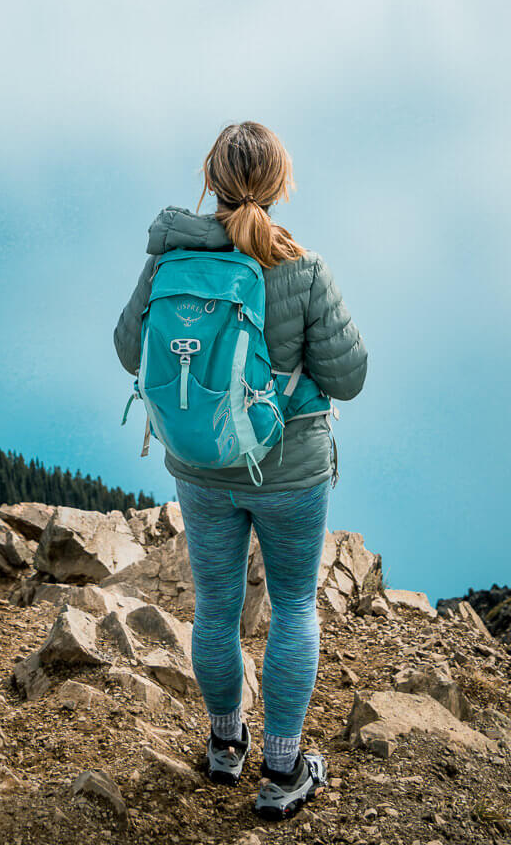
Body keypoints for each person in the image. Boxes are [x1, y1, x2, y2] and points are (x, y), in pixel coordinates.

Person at [113, 120, 367, 820]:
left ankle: (226, 747)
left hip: (201, 467)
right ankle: (283, 770)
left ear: (212, 178)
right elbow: (350, 378)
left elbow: (126, 347)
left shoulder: (168, 261)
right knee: (290, 608)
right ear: (280, 185)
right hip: (289, 471)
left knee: (216, 609)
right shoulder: (302, 269)